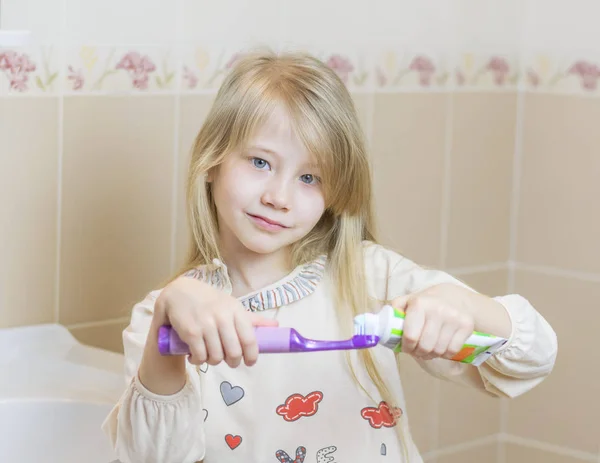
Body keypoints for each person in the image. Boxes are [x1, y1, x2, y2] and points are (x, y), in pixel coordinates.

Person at [102, 50, 557, 463]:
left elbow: (533, 357)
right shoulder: (166, 316)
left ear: (336, 192)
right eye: (260, 162)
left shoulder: (371, 279)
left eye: (310, 178)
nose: (279, 197)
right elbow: (148, 456)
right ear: (212, 160)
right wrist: (169, 317)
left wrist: (467, 308)